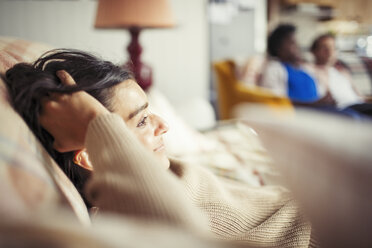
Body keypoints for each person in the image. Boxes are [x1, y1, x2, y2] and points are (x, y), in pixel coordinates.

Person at [4, 49, 316, 247]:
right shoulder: (126, 214)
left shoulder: (153, 168)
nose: (163, 125)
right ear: (92, 153)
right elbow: (182, 235)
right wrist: (98, 123)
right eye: (140, 122)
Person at [260, 24, 333, 105]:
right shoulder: (274, 68)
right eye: (292, 43)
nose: (297, 46)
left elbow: (319, 96)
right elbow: (275, 102)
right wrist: (313, 104)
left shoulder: (306, 70)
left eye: (296, 42)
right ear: (278, 48)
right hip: (299, 115)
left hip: (320, 112)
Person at [307, 33, 372, 116]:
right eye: (324, 48)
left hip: (360, 107)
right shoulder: (311, 71)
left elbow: (360, 97)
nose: (330, 52)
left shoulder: (342, 72)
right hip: (343, 109)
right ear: (313, 51)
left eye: (333, 48)